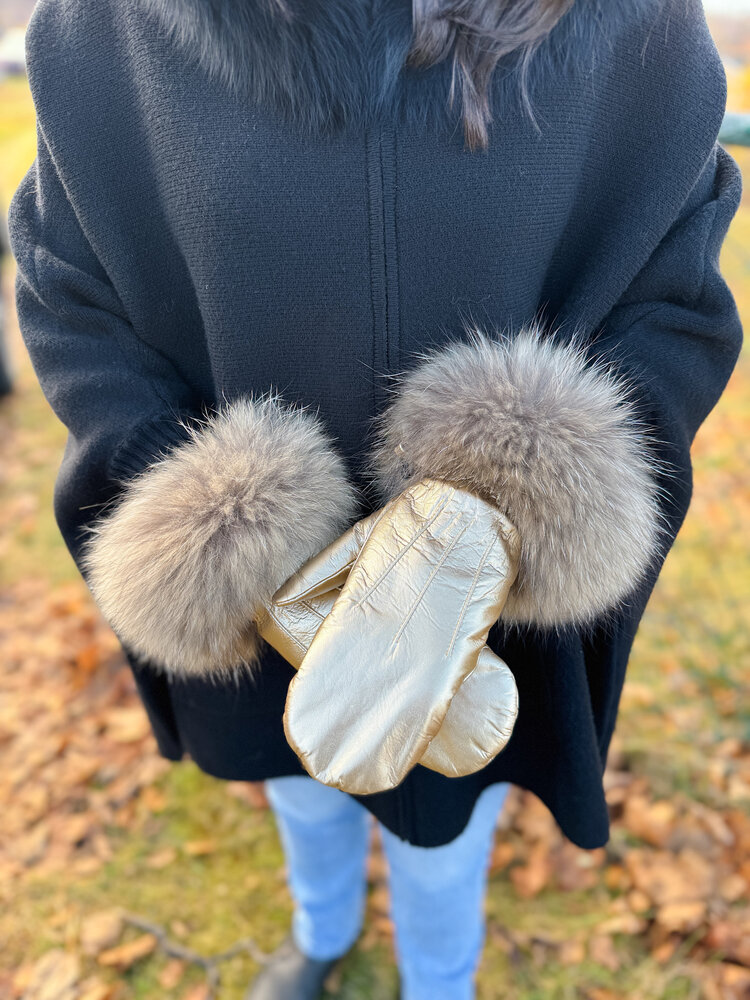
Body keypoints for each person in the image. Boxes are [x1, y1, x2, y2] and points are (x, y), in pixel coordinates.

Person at [7, 0, 743, 997]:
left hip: (484, 603)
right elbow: (66, 280)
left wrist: (524, 494)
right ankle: (323, 929)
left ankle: (440, 981)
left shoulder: (635, 24)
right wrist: (198, 503)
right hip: (259, 599)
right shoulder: (106, 28)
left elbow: (675, 293)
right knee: (299, 776)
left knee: (447, 822)